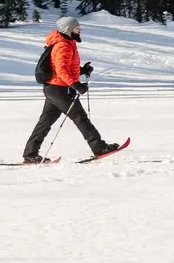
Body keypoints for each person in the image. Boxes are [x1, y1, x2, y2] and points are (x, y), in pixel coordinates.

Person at [23, 17, 122, 163]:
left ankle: (30, 154)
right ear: (68, 30)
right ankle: (99, 147)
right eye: (76, 28)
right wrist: (75, 84)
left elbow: (65, 68)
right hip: (59, 89)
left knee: (45, 122)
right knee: (80, 117)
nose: (79, 30)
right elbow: (61, 69)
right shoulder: (63, 45)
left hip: (54, 88)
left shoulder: (67, 43)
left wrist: (81, 70)